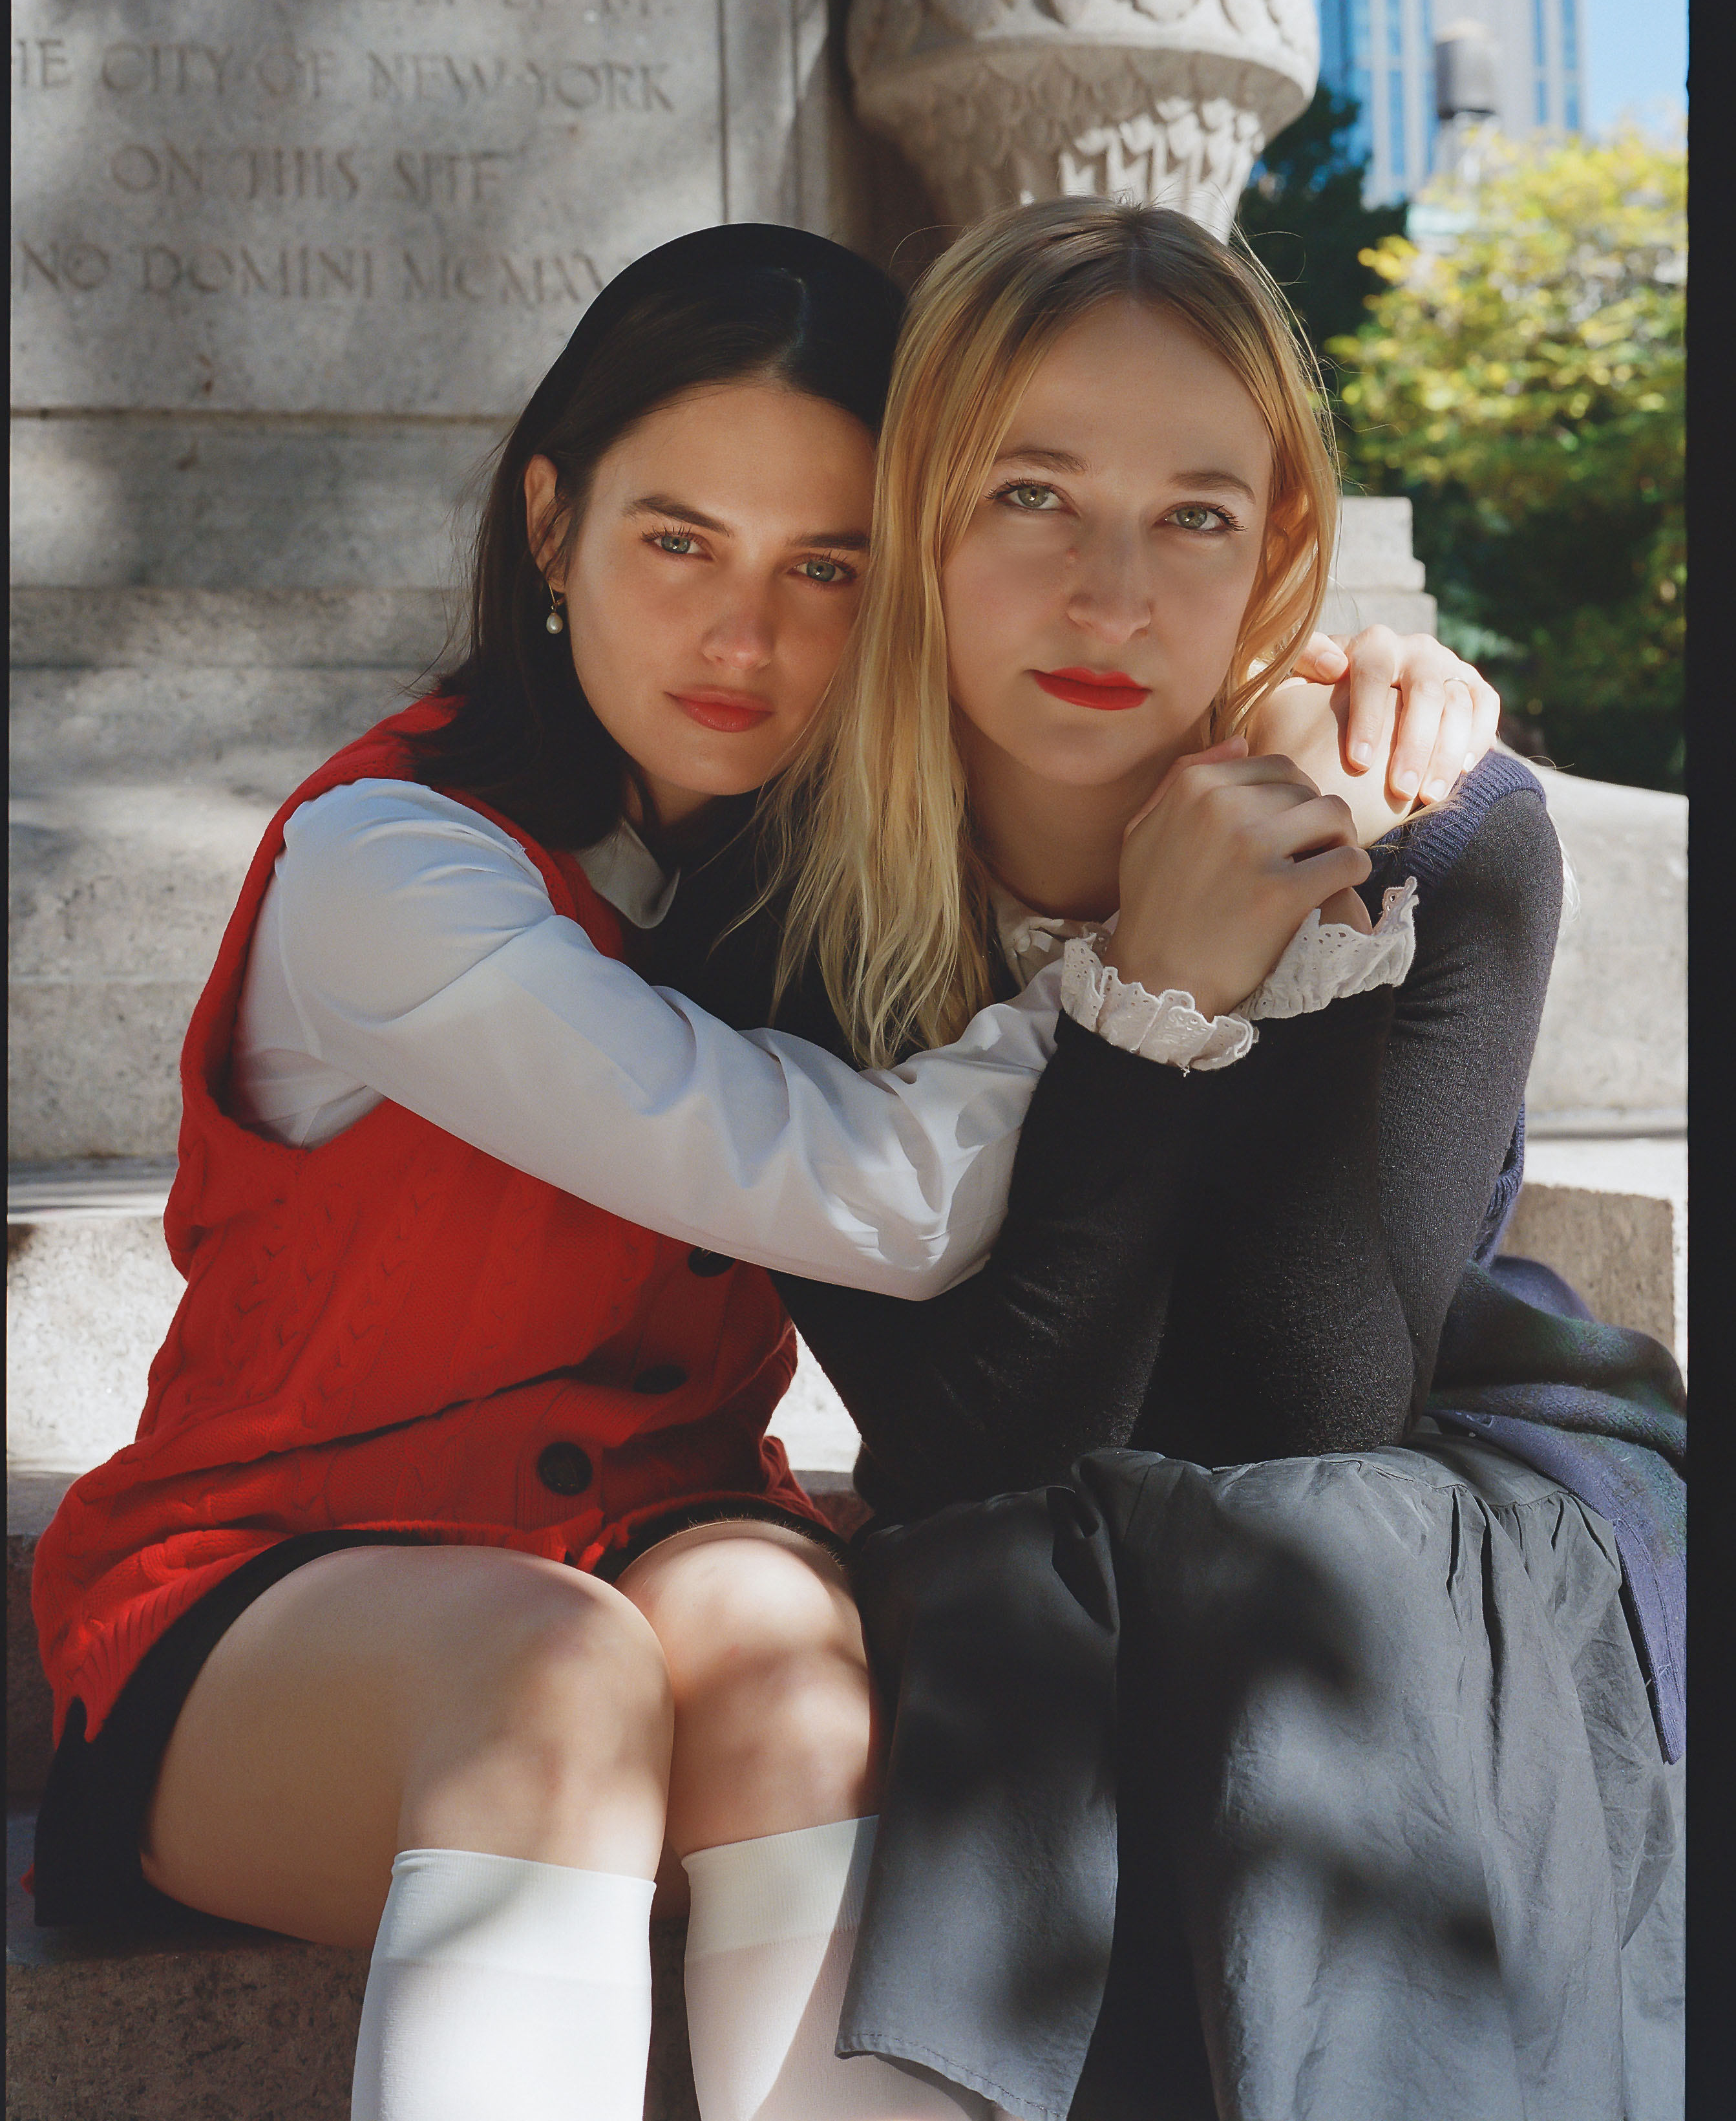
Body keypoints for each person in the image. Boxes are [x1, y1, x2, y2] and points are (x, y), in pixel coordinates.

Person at [28, 221, 1496, 2121]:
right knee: (550, 1669)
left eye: (830, 565)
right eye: (677, 543)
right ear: (549, 526)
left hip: (669, 1548)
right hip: (271, 1597)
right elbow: (886, 1206)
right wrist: (1147, 958)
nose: (750, 638)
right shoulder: (386, 872)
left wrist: (1318, 706)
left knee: (789, 1643)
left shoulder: (810, 874)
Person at [677, 198, 1681, 2121]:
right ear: (916, 522)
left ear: (1280, 550)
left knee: (1315, 1559)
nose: (1112, 596)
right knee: (988, 1581)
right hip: (1047, 1510)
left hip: (1445, 1469)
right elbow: (977, 1446)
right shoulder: (777, 915)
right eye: (1031, 495)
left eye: (1195, 516)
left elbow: (1327, 1404)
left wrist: (1278, 932)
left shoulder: (1445, 845)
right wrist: (1147, 992)